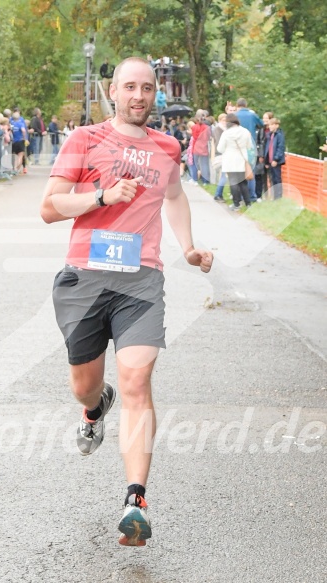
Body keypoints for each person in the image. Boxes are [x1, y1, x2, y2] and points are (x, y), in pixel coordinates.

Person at [40, 56, 213, 547]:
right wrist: (103, 196)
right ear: (112, 91)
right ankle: (94, 410)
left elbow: (174, 197)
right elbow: (50, 207)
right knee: (84, 386)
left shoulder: (167, 147)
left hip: (142, 280)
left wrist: (188, 246)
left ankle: (135, 499)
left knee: (137, 378)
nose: (139, 96)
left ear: (156, 93)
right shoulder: (84, 140)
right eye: (129, 87)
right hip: (86, 279)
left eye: (147, 88)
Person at [217, 113, 252, 210]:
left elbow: (220, 148)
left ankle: (236, 204)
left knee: (233, 182)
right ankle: (248, 203)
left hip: (230, 159)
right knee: (243, 182)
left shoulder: (226, 133)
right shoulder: (245, 131)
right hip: (242, 159)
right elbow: (249, 146)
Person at [264, 117, 286, 199]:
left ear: (277, 125)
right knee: (272, 179)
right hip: (269, 161)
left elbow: (280, 148)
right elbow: (267, 148)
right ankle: (274, 196)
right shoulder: (269, 135)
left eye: (272, 125)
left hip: (276, 161)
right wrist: (266, 161)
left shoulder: (279, 135)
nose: (270, 127)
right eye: (269, 125)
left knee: (277, 179)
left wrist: (276, 159)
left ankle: (278, 196)